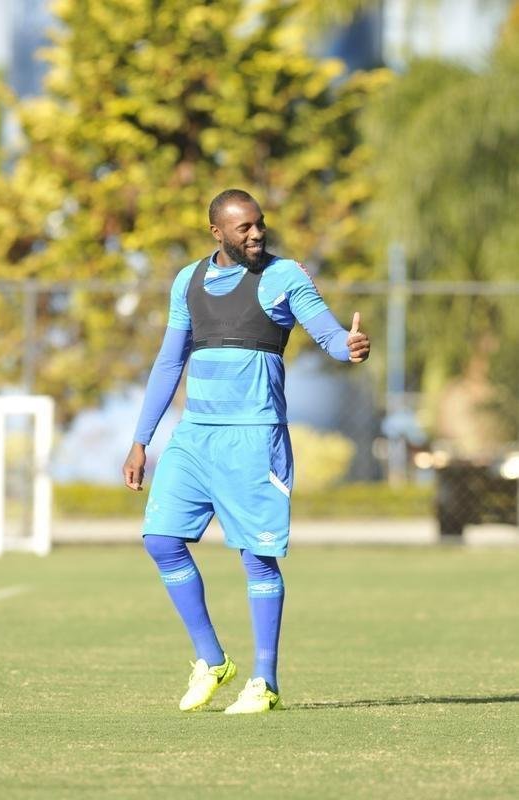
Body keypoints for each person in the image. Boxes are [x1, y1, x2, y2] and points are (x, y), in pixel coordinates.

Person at [123, 189, 370, 714]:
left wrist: (347, 348)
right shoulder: (187, 280)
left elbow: (326, 333)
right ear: (217, 232)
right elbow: (169, 364)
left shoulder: (285, 277)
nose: (256, 234)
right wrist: (141, 440)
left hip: (254, 435)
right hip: (194, 437)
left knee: (256, 557)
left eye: (259, 224)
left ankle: (265, 681)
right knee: (161, 540)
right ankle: (211, 660)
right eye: (243, 228)